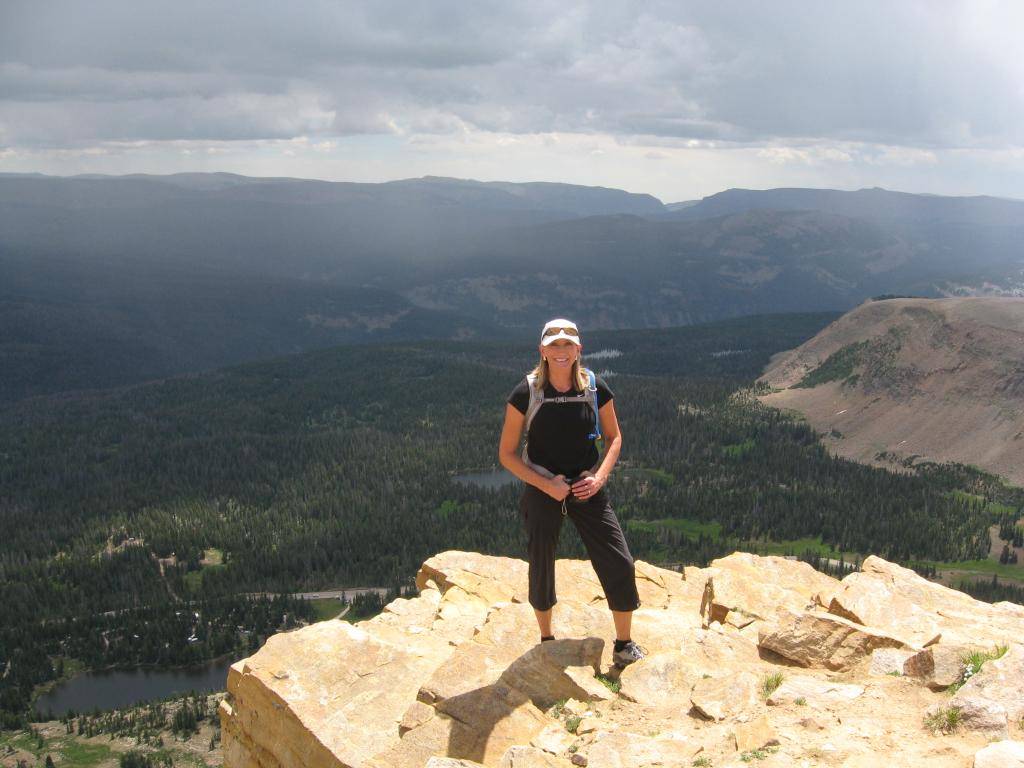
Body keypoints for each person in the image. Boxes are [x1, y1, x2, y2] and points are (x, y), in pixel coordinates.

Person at [498, 317, 645, 668]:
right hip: (542, 486)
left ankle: (624, 644)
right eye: (554, 345)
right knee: (541, 563)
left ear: (579, 349)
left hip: (585, 485)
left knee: (619, 561)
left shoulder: (595, 387)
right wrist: (547, 485)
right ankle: (547, 640)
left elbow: (615, 438)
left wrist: (598, 478)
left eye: (568, 345)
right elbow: (506, 454)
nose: (561, 351)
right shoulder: (526, 392)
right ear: (542, 350)